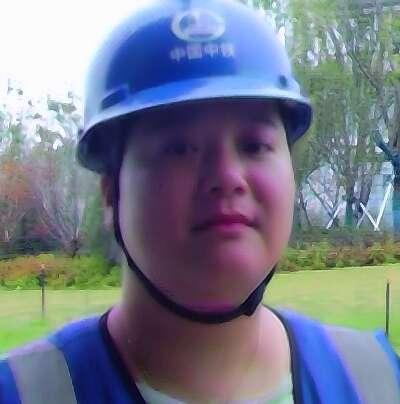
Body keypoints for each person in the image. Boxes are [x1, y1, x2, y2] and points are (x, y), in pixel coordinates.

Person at [1, 0, 399, 403]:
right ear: (110, 194)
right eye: (178, 149)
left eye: (254, 145)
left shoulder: (374, 383)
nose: (227, 177)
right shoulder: (25, 394)